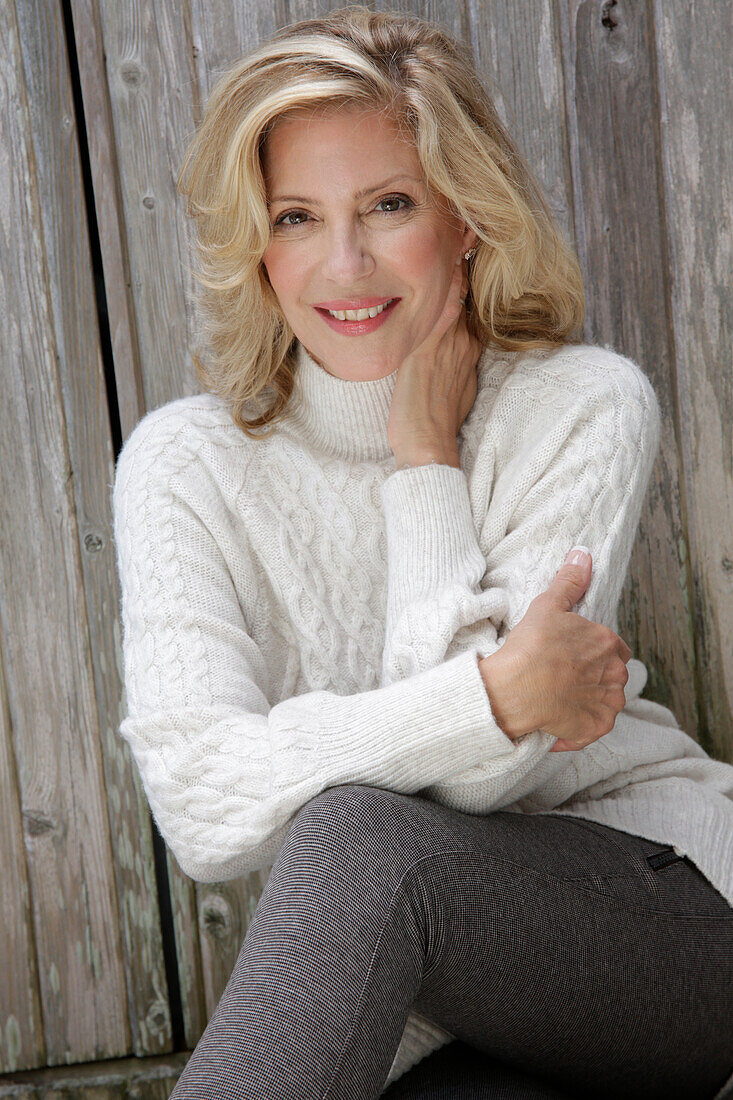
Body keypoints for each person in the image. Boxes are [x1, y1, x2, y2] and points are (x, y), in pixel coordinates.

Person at [111, 7, 733, 1098]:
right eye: (297, 216)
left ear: (465, 217)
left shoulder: (578, 406)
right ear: (258, 244)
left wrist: (422, 459)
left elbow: (482, 781)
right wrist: (492, 689)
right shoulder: (184, 465)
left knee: (358, 833)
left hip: (662, 922)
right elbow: (202, 806)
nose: (341, 262)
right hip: (424, 999)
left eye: (387, 205)